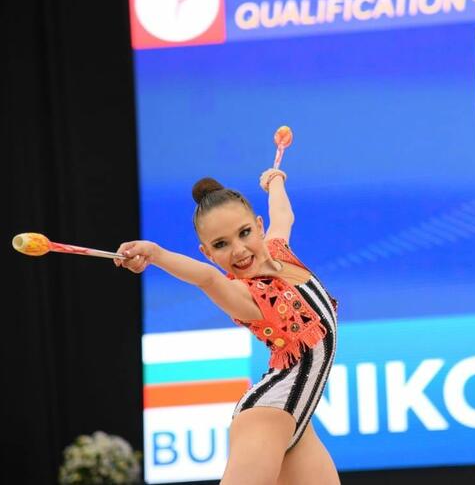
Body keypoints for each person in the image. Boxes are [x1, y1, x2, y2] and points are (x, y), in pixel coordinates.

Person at [116, 168, 339, 484]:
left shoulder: (280, 250)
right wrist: (155, 254)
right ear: (207, 253)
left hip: (299, 424)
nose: (238, 250)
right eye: (221, 244)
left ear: (259, 226)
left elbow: (283, 215)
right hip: (266, 417)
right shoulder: (245, 295)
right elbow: (207, 278)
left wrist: (275, 180)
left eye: (244, 232)